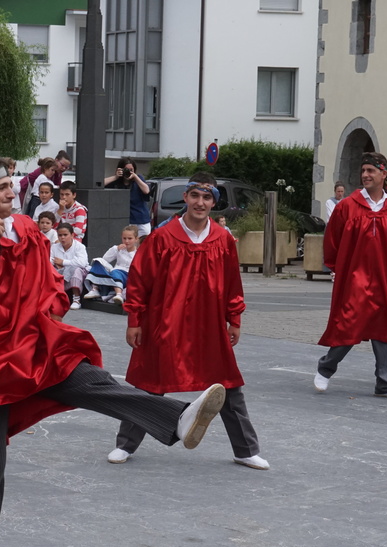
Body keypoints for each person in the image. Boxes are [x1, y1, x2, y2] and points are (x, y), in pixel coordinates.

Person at [0, 154, 227, 547]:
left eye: (11, 185)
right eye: (1, 188)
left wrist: (54, 303)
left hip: (33, 350)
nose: (11, 193)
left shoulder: (24, 228)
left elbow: (46, 280)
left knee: (89, 379)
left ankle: (176, 420)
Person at [108, 172, 268, 471]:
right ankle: (125, 444)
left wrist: (234, 318)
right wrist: (135, 319)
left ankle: (245, 450)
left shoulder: (222, 239)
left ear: (214, 202)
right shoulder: (162, 238)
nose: (200, 202)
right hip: (165, 321)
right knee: (148, 383)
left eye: (207, 197)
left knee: (227, 385)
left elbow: (232, 283)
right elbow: (140, 281)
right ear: (185, 197)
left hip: (209, 325)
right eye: (195, 196)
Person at [314, 152, 387, 400]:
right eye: (363, 170)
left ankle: (385, 384)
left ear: (383, 174)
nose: (365, 175)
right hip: (354, 277)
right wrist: (338, 269)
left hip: (383, 278)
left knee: (384, 327)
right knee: (349, 324)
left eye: (371, 171)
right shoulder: (347, 206)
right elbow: (332, 241)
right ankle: (325, 368)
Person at [83, 224, 138, 305]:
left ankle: (119, 294)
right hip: (114, 274)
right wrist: (116, 249)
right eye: (124, 238)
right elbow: (105, 259)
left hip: (127, 276)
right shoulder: (119, 249)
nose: (126, 241)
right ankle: (95, 289)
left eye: (130, 238)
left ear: (136, 239)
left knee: (116, 271)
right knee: (98, 261)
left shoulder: (138, 253)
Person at [104, 157, 152, 236]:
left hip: (141, 219)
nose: (128, 172)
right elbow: (99, 184)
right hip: (126, 219)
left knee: (144, 240)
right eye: (126, 169)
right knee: (128, 240)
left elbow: (146, 190)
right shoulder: (116, 182)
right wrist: (116, 176)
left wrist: (135, 177)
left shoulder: (138, 179)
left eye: (131, 170)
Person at [50, 223, 88, 310]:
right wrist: (58, 264)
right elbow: (50, 260)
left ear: (72, 235)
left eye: (65, 235)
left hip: (78, 272)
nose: (62, 237)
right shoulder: (54, 247)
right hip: (59, 270)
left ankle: (76, 300)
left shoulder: (80, 246)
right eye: (60, 235)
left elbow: (82, 263)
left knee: (76, 270)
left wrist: (63, 262)